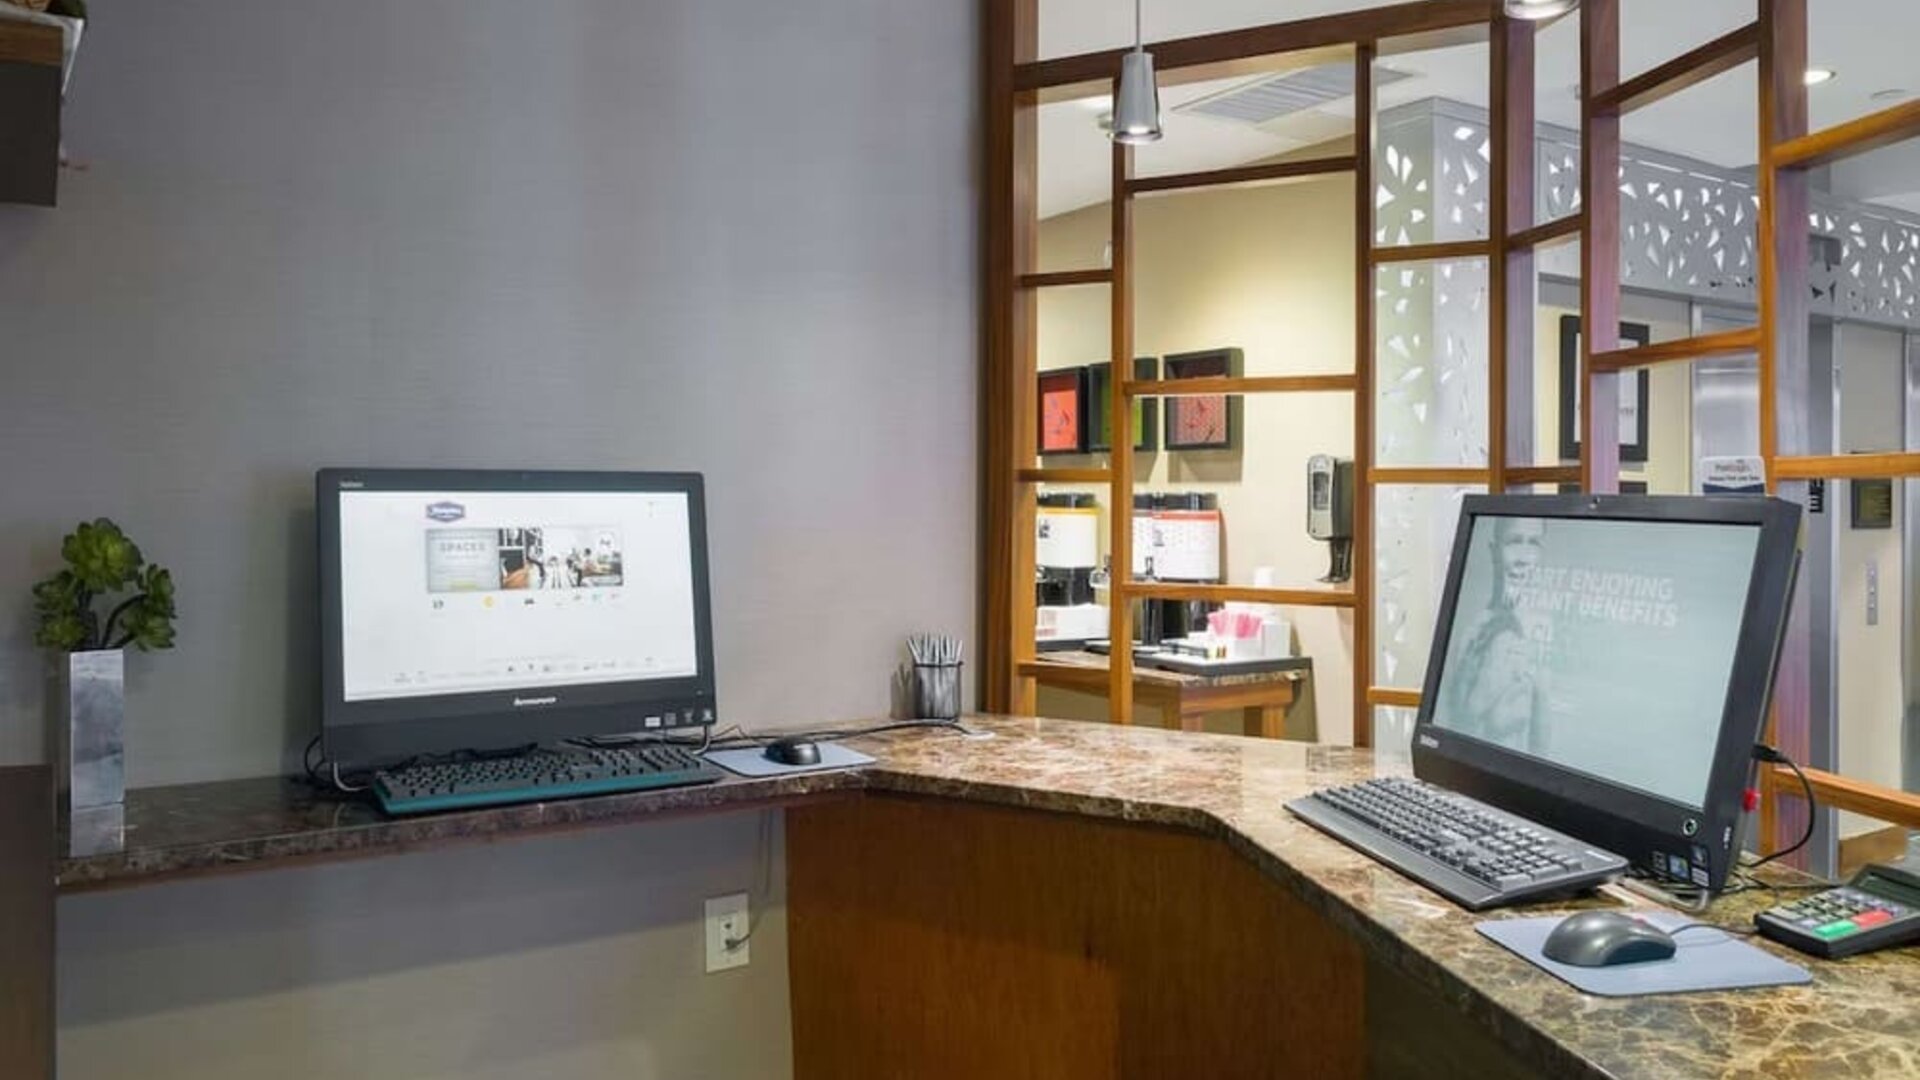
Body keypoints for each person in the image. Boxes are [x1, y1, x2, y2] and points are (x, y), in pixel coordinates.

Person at [1442, 516, 1551, 755]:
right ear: (1495, 550)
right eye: (1514, 542)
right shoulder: (1469, 634)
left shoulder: (1543, 632)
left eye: (1533, 543)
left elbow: (1541, 745)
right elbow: (1455, 728)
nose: (1523, 557)